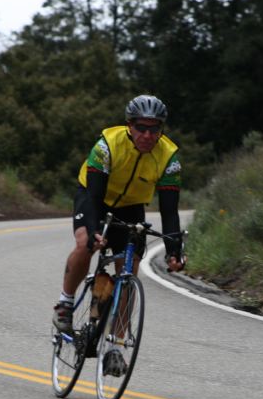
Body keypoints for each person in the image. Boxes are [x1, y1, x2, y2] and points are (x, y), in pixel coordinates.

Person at [53, 94, 187, 337]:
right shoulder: (107, 145)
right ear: (129, 125)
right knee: (85, 243)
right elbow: (94, 197)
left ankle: (116, 343)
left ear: (161, 129)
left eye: (154, 129)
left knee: (128, 269)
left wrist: (173, 251)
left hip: (131, 206)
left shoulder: (168, 158)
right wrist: (94, 229)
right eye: (141, 128)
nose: (147, 135)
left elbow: (169, 211)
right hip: (95, 197)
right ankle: (65, 304)